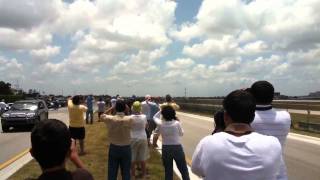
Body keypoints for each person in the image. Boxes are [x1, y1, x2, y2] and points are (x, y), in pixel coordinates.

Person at [191, 90, 282, 180]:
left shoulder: (207, 142)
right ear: (253, 117)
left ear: (225, 116)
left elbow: (196, 170)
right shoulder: (273, 144)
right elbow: (277, 172)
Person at [250, 81, 291, 180]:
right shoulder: (285, 116)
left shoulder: (245, 117)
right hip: (278, 172)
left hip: (251, 171)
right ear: (273, 96)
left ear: (251, 96)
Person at [153, 106, 190, 180]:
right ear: (173, 114)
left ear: (163, 115)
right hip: (177, 148)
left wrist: (161, 110)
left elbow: (154, 117)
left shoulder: (161, 123)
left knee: (168, 171)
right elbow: (181, 134)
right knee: (183, 170)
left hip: (166, 148)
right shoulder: (177, 123)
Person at [101, 100, 133, 180]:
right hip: (126, 147)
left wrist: (112, 107)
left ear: (115, 108)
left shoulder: (110, 118)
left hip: (114, 147)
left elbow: (102, 115)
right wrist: (128, 110)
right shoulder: (129, 119)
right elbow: (134, 116)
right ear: (125, 108)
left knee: (112, 171)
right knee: (126, 171)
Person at [130, 101, 149, 178]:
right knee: (143, 157)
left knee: (132, 157)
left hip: (133, 137)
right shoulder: (144, 117)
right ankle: (144, 174)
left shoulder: (130, 117)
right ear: (140, 109)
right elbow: (146, 126)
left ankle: (133, 174)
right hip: (142, 137)